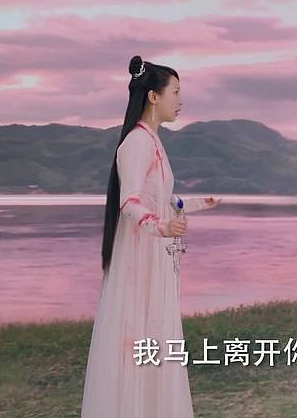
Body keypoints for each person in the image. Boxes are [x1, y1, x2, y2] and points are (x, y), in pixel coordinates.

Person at [81, 56, 220, 417]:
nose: (181, 100)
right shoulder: (137, 143)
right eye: (176, 92)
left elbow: (160, 198)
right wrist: (162, 228)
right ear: (154, 97)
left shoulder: (152, 141)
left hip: (153, 258)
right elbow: (129, 202)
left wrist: (196, 205)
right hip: (140, 260)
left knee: (153, 337)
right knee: (138, 336)